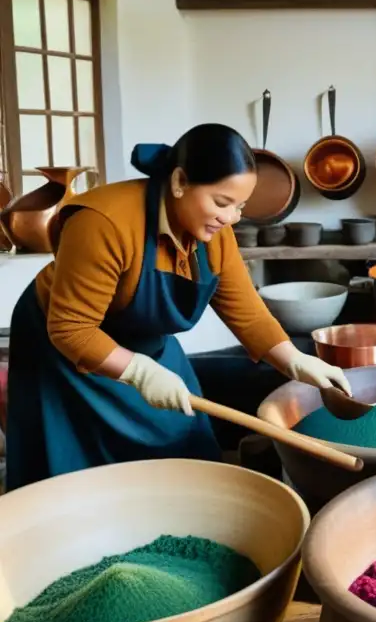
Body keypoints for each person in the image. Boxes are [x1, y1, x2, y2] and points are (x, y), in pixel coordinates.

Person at [5, 124, 351, 491]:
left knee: (182, 431)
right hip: (63, 342)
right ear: (180, 181)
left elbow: (245, 310)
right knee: (76, 456)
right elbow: (71, 329)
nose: (231, 217)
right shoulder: (103, 222)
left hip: (142, 338)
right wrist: (139, 373)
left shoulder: (216, 233)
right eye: (221, 202)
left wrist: (295, 360)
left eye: (240, 206)